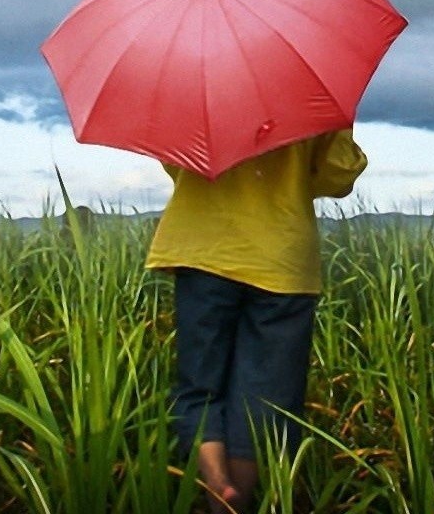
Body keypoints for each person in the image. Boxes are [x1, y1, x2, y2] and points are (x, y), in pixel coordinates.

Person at [146, 128, 368, 513]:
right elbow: (337, 179)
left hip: (204, 249)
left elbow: (177, 163)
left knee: (199, 385)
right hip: (280, 259)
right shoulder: (316, 91)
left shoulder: (198, 78)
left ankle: (216, 483)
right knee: (266, 396)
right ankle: (238, 503)